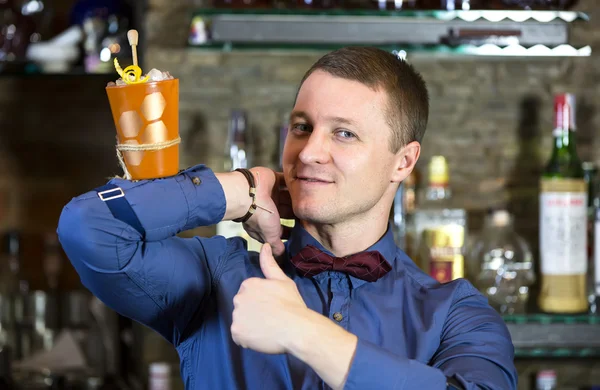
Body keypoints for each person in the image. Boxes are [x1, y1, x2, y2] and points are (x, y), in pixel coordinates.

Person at [57, 47, 517, 390]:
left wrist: (303, 331)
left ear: (404, 161)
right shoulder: (215, 278)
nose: (311, 152)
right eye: (301, 127)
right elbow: (88, 225)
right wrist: (241, 188)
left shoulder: (458, 315)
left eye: (344, 133)